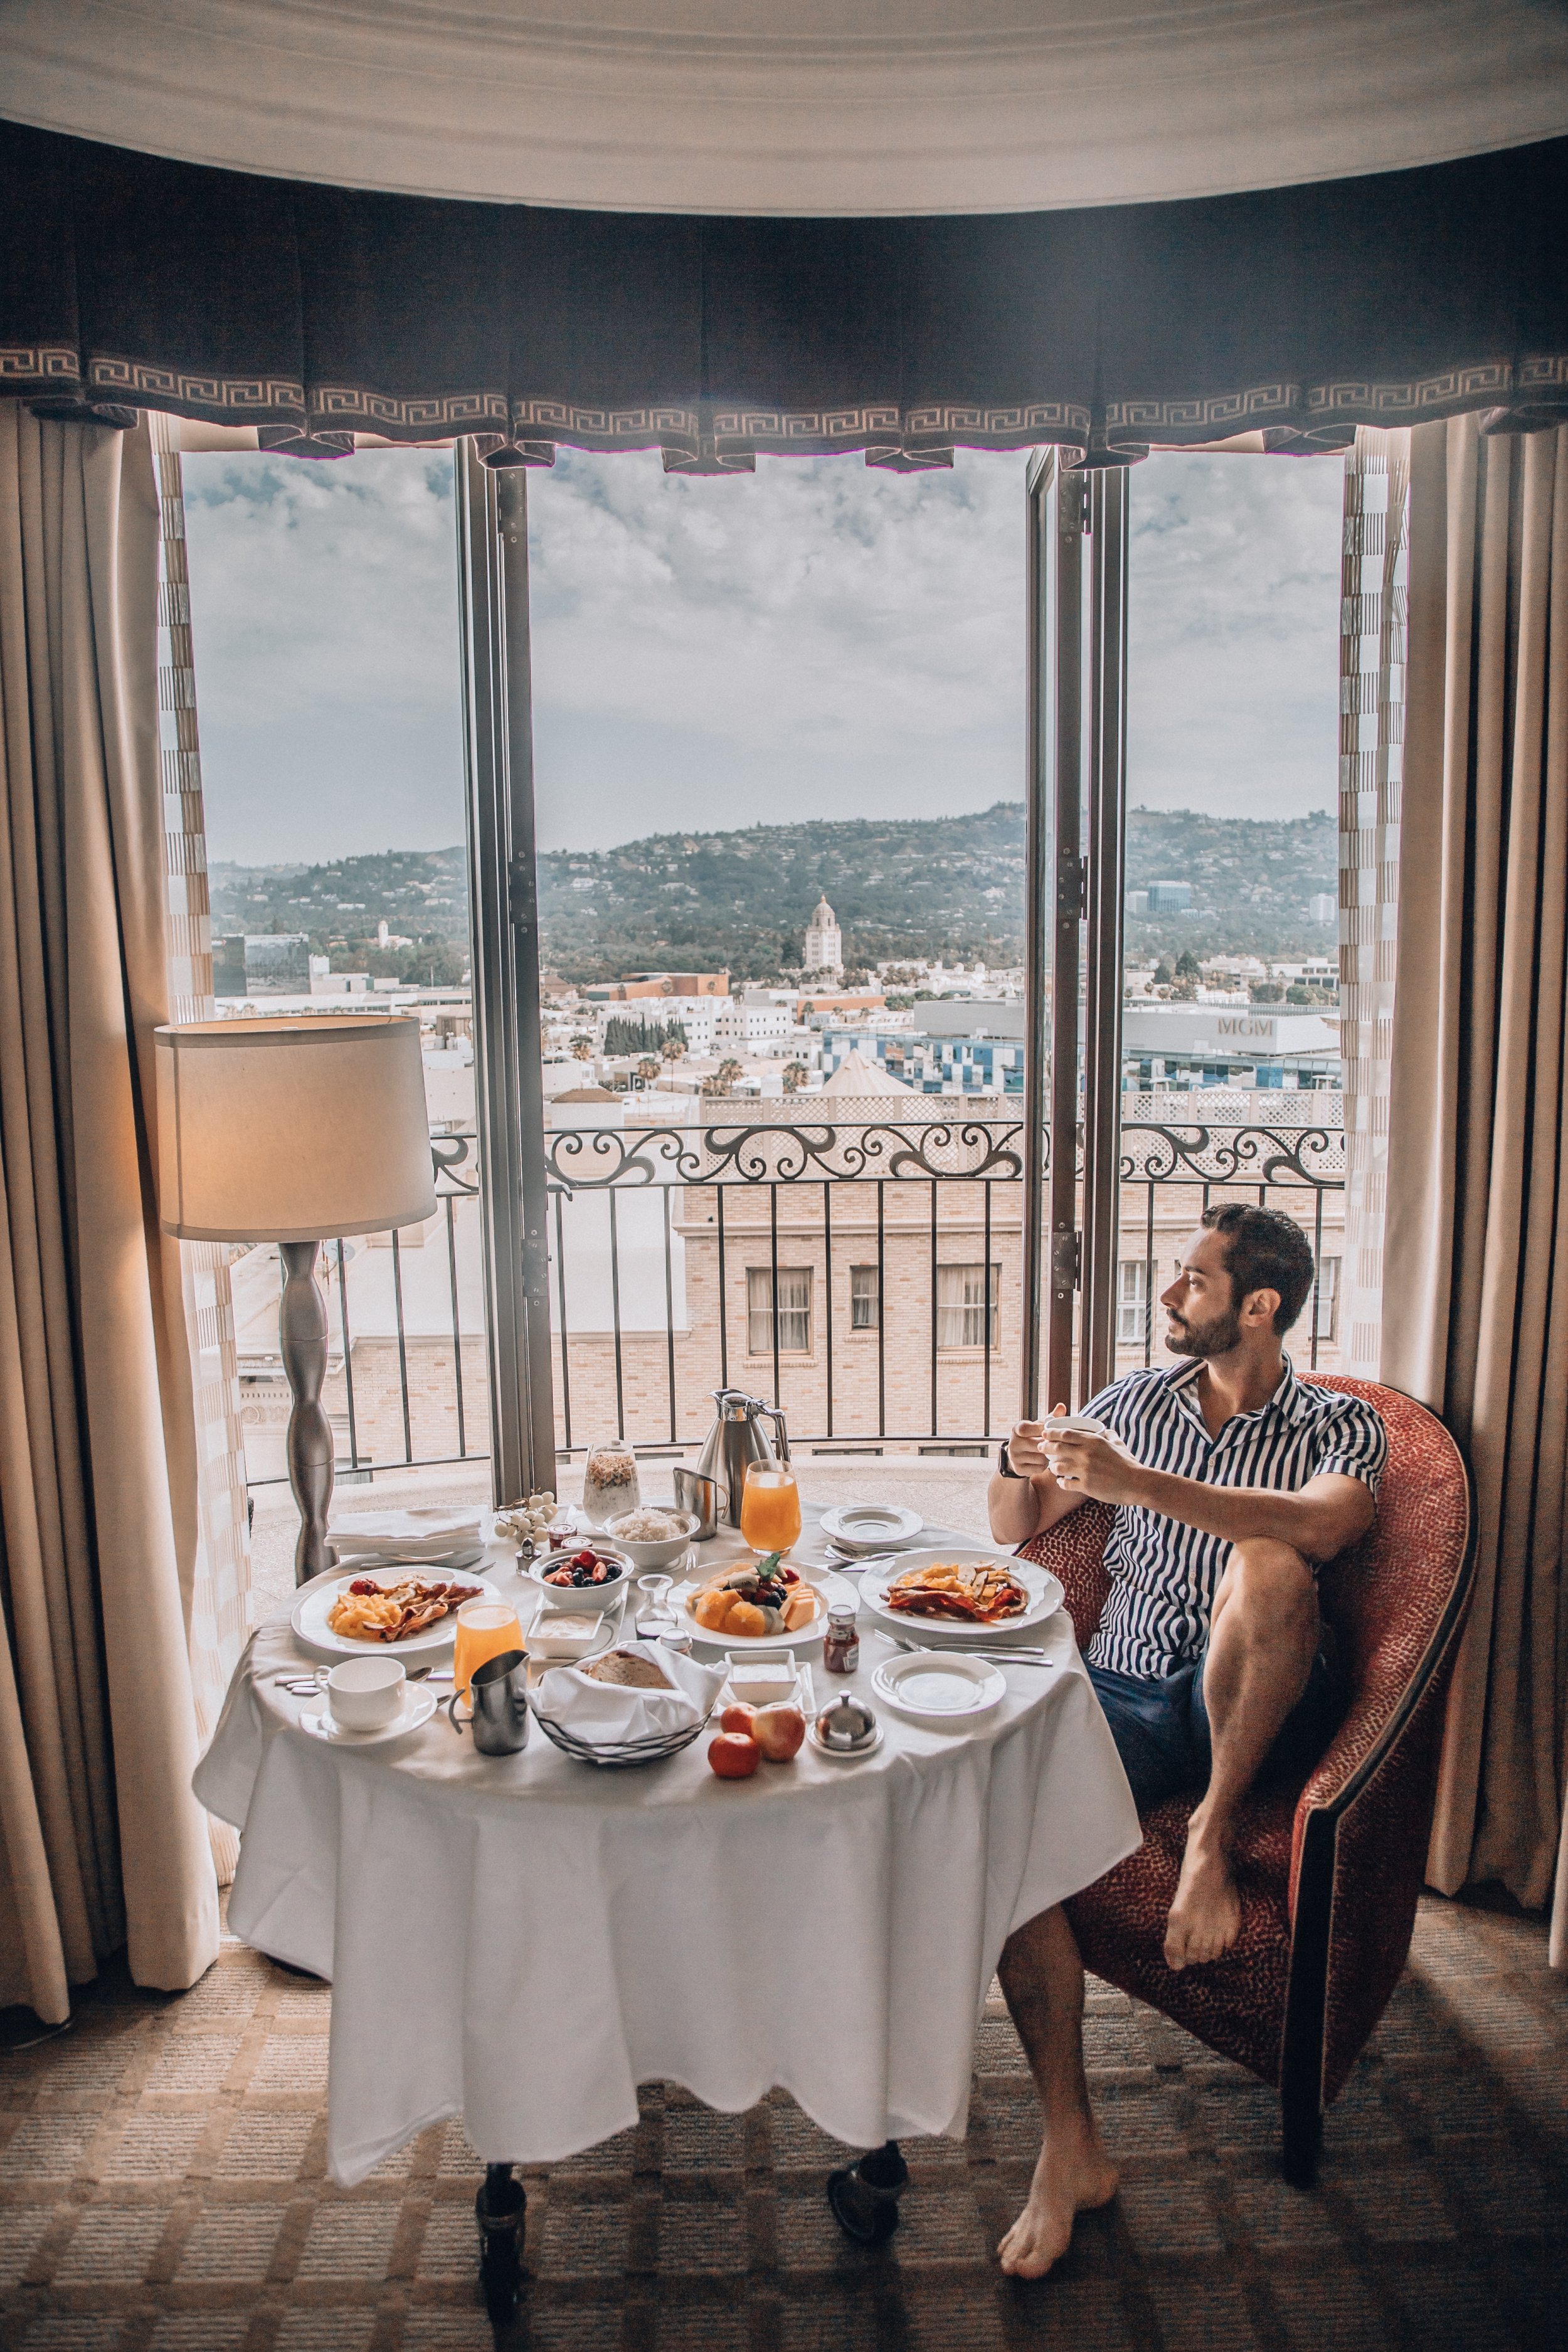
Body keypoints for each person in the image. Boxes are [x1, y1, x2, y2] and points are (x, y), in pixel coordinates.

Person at [985, 1202, 1385, 2279]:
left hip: (1256, 1703)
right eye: (1174, 1275)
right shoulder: (1135, 1404)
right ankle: (1071, 2147)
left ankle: (1208, 1836)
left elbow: (1325, 1527)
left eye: (1194, 1282)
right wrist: (1024, 1456)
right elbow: (1012, 1525)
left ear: (1260, 1308)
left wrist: (1137, 1483)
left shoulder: (1337, 1428)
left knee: (1265, 1561)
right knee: (1006, 1829)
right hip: (1118, 1689)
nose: (1169, 1296)